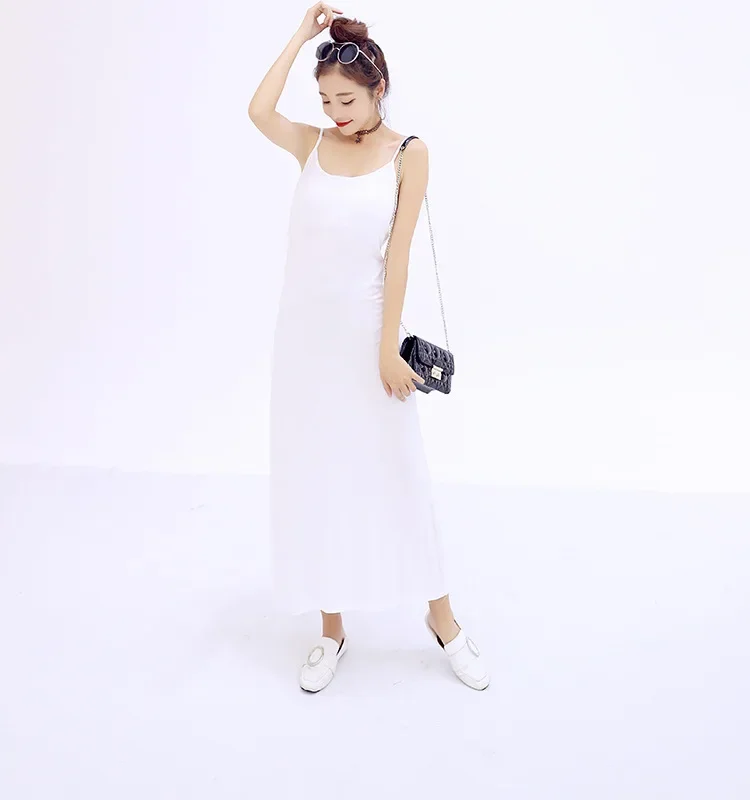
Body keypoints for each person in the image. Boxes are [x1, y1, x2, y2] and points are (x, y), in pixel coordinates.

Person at [248, 4, 489, 693]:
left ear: (379, 88)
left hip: (367, 337)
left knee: (399, 475)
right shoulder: (312, 146)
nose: (335, 113)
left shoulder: (409, 154)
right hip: (303, 343)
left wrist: (388, 352)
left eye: (347, 100)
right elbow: (258, 111)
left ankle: (444, 622)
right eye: (325, 100)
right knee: (316, 478)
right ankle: (331, 630)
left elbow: (398, 258)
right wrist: (302, 35)